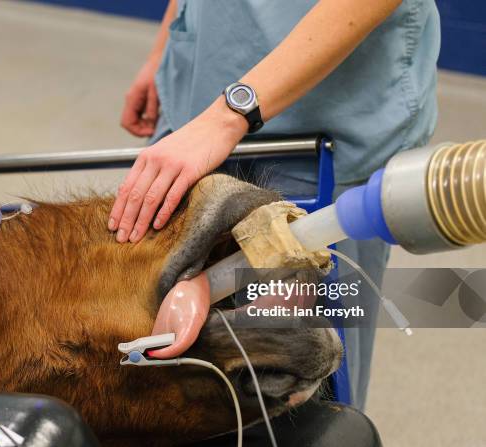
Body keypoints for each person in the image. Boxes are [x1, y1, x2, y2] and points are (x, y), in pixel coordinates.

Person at [109, 0, 440, 410]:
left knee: (289, 383)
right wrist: (164, 54)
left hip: (317, 128)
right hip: (195, 105)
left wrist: (230, 114)